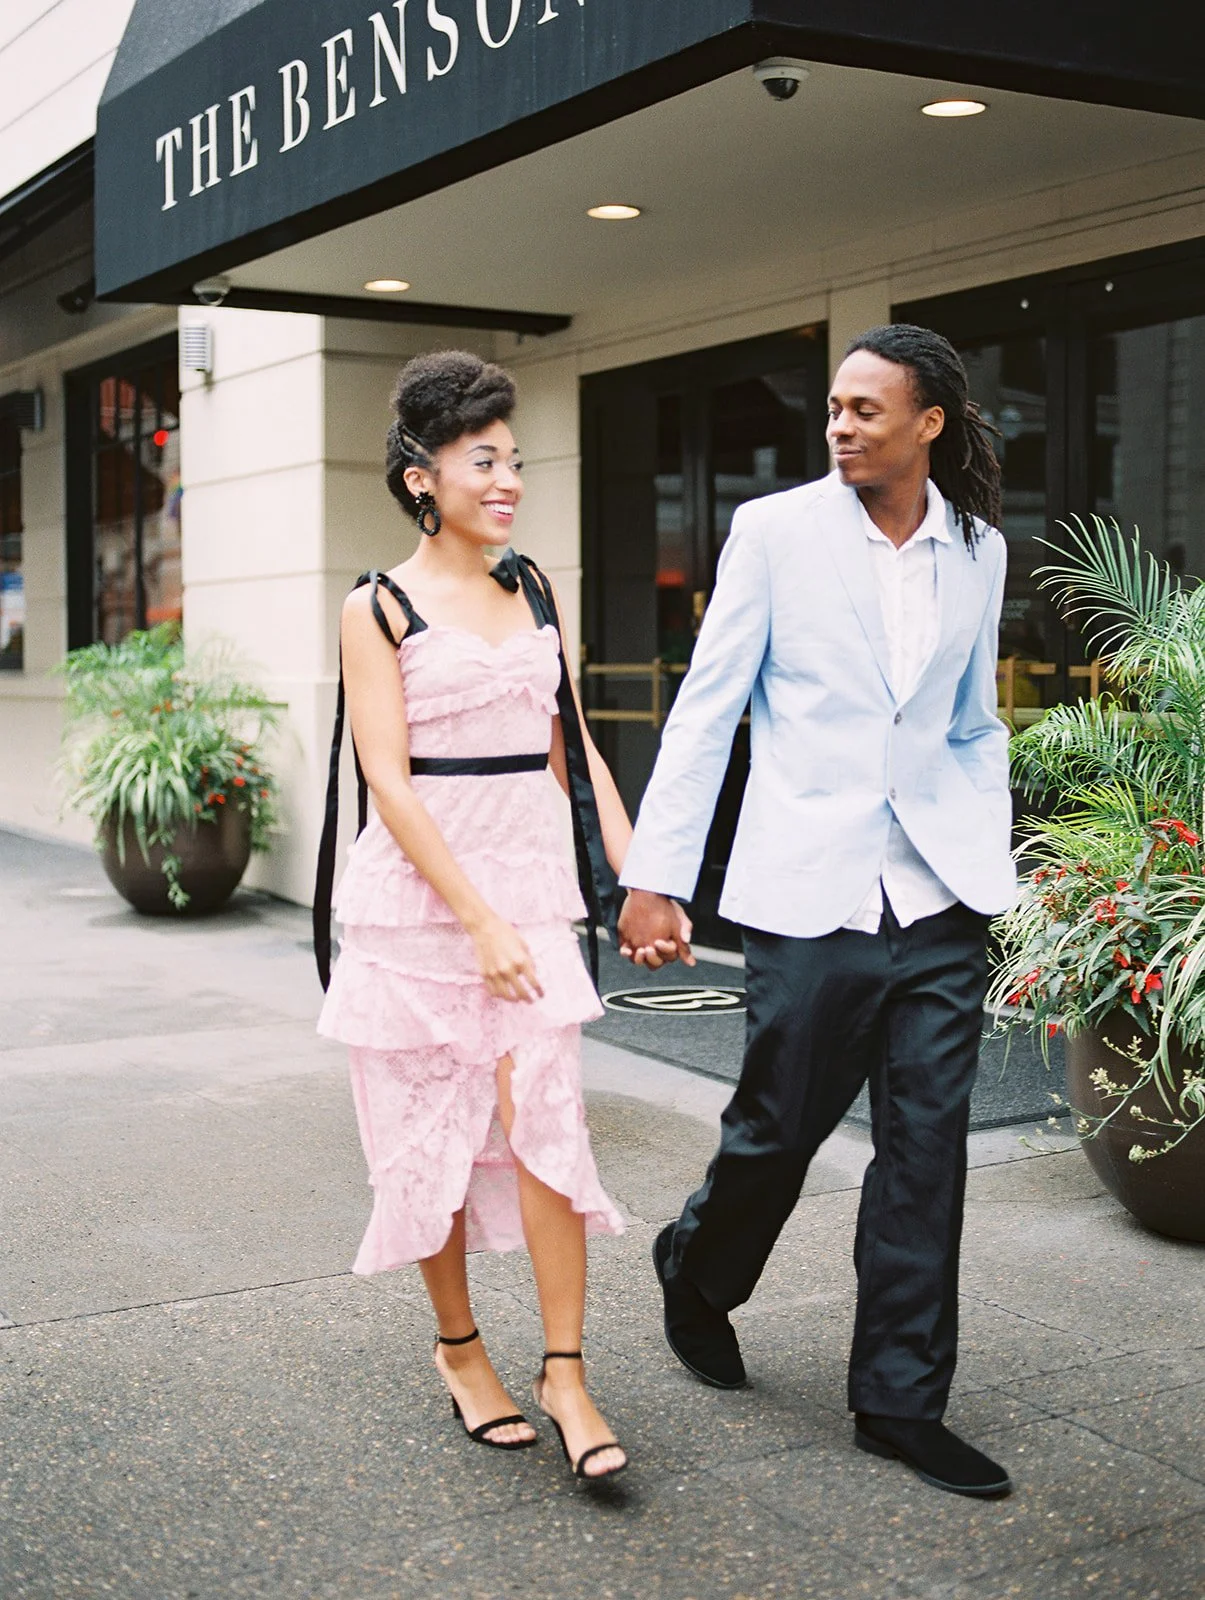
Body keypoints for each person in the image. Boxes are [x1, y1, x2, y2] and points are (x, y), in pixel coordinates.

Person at [617, 324, 1018, 1499]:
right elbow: (706, 709)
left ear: (927, 422)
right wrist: (654, 873)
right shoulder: (774, 530)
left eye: (863, 409)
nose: (838, 425)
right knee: (776, 1132)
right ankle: (697, 1267)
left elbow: (971, 719)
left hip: (935, 897)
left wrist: (981, 844)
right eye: (833, 407)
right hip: (809, 893)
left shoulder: (978, 548)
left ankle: (898, 1399)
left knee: (925, 1154)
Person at [316, 351, 678, 1482]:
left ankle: (566, 1372)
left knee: (546, 1127)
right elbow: (386, 779)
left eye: (514, 460)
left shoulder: (535, 589)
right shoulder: (375, 606)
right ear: (422, 477)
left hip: (532, 892)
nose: (509, 479)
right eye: (484, 460)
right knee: (426, 1135)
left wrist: (641, 876)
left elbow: (575, 753)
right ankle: (462, 1351)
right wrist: (475, 920)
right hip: (422, 911)